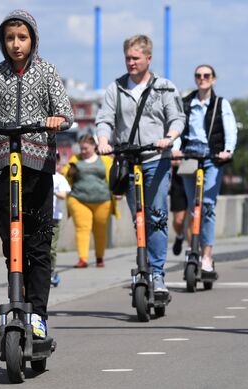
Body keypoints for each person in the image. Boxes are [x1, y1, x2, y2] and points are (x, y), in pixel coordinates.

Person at [0, 9, 74, 339]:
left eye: (22, 37)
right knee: (12, 243)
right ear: (2, 41)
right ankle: (18, 301)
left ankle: (38, 314)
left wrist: (58, 119)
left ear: (33, 39)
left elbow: (65, 110)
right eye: (10, 38)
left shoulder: (47, 71)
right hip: (2, 164)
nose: (15, 44)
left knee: (38, 245)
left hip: (38, 167)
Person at [95, 34, 185, 294]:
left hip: (156, 159)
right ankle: (143, 262)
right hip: (128, 159)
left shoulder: (165, 87)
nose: (131, 63)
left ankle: (157, 273)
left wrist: (168, 138)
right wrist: (103, 140)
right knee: (139, 218)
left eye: (135, 58)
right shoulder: (116, 88)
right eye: (127, 58)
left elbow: (177, 118)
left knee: (156, 216)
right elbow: (105, 120)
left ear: (148, 58)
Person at [178, 64, 237, 274]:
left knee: (208, 207)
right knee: (193, 207)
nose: (202, 79)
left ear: (213, 79)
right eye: (198, 75)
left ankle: (207, 256)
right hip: (190, 155)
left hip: (212, 157)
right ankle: (191, 247)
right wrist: (176, 150)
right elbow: (178, 129)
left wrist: (227, 150)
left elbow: (230, 130)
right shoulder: (186, 103)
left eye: (206, 75)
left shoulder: (221, 104)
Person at [62, 134, 120, 268]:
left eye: (85, 148)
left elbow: (114, 176)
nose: (83, 151)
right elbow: (64, 174)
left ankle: (100, 257)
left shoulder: (105, 160)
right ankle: (83, 258)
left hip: (103, 200)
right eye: (81, 149)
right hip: (79, 199)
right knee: (82, 228)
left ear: (94, 146)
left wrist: (117, 192)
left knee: (100, 231)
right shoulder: (75, 159)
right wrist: (70, 172)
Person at [50, 152, 71, 285]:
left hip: (54, 217)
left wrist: (52, 191)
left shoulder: (59, 178)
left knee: (51, 248)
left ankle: (51, 271)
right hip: (40, 217)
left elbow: (63, 195)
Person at [170, 165, 189, 255]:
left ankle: (192, 250)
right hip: (178, 181)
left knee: (192, 218)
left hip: (194, 175)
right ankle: (180, 236)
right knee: (178, 221)